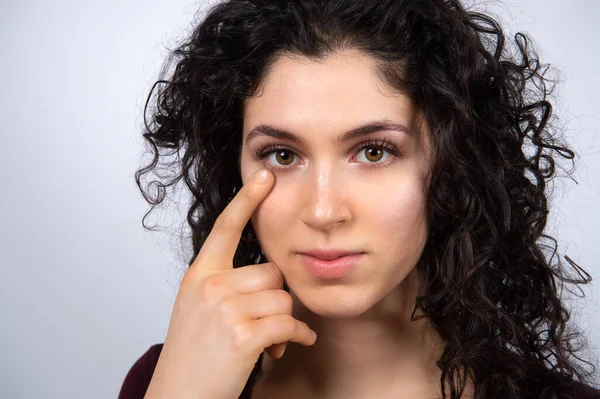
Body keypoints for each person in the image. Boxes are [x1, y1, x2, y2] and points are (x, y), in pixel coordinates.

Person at [119, 0, 600, 398]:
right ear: (234, 168)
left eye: (374, 152)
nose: (324, 211)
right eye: (282, 155)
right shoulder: (169, 380)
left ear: (455, 163)